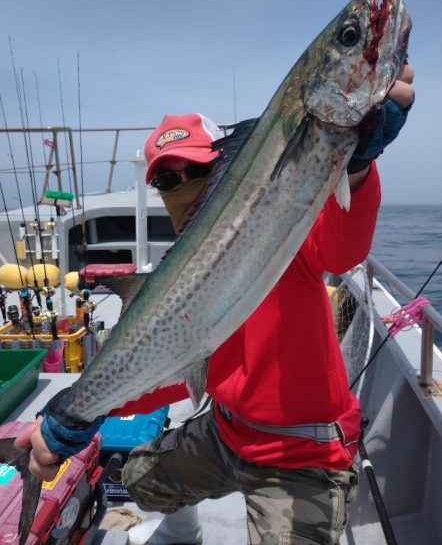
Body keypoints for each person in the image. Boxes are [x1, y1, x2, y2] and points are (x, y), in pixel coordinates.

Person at [15, 65, 414, 545]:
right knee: (137, 480)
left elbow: (343, 248)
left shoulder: (284, 225)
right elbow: (161, 366)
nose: (182, 183)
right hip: (226, 434)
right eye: (167, 179)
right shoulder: (173, 277)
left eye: (195, 170)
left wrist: (358, 165)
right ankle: (184, 532)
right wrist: (78, 413)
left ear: (223, 169)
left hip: (302, 456)